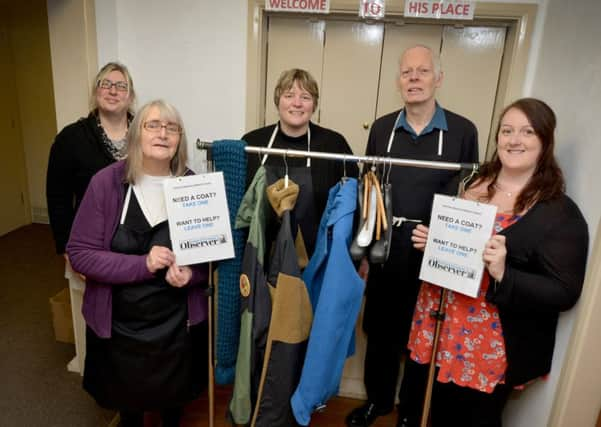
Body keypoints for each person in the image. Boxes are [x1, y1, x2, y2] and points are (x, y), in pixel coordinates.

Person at [408, 97, 589, 426]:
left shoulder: (557, 211)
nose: (514, 140)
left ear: (545, 142)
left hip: (488, 342)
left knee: (476, 419)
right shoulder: (469, 183)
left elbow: (565, 292)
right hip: (439, 323)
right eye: (506, 131)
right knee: (432, 411)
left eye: (527, 132)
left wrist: (505, 273)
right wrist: (431, 243)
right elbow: (446, 235)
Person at [346, 45, 479, 427]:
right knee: (382, 332)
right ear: (398, 81)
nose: (415, 78)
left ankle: (410, 411)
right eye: (407, 73)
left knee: (424, 337)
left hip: (434, 253)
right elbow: (366, 190)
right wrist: (363, 253)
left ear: (438, 79)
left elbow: (469, 193)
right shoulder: (383, 127)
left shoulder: (463, 131)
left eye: (423, 71)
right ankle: (378, 401)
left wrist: (443, 234)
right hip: (386, 248)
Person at [66, 100, 208, 427]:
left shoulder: (194, 186)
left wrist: (192, 274)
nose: (163, 133)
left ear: (180, 139)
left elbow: (212, 258)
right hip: (120, 329)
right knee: (128, 411)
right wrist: (142, 264)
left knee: (174, 407)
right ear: (136, 135)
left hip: (177, 329)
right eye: (153, 125)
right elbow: (81, 253)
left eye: (171, 127)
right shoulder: (106, 183)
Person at [243, 68, 357, 256]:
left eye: (305, 97)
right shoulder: (253, 143)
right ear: (277, 101)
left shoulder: (334, 145)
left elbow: (351, 205)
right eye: (289, 95)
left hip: (317, 257)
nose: (297, 103)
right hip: (260, 257)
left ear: (314, 105)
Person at [47, 61, 136, 258]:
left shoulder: (145, 135)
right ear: (96, 92)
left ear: (130, 96)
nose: (113, 91)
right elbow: (58, 197)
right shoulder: (70, 138)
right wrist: (67, 247)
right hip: (89, 243)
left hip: (139, 244)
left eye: (121, 86)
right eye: (106, 84)